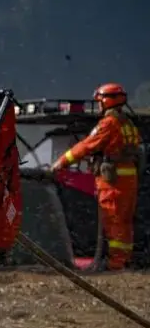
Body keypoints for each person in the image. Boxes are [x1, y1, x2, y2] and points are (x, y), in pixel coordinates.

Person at [49, 83, 141, 271]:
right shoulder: (128, 122)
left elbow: (87, 146)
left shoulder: (108, 124)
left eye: (99, 101)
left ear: (107, 101)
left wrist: (61, 162)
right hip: (128, 179)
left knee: (113, 220)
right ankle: (124, 260)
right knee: (123, 222)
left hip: (113, 181)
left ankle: (116, 263)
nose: (98, 105)